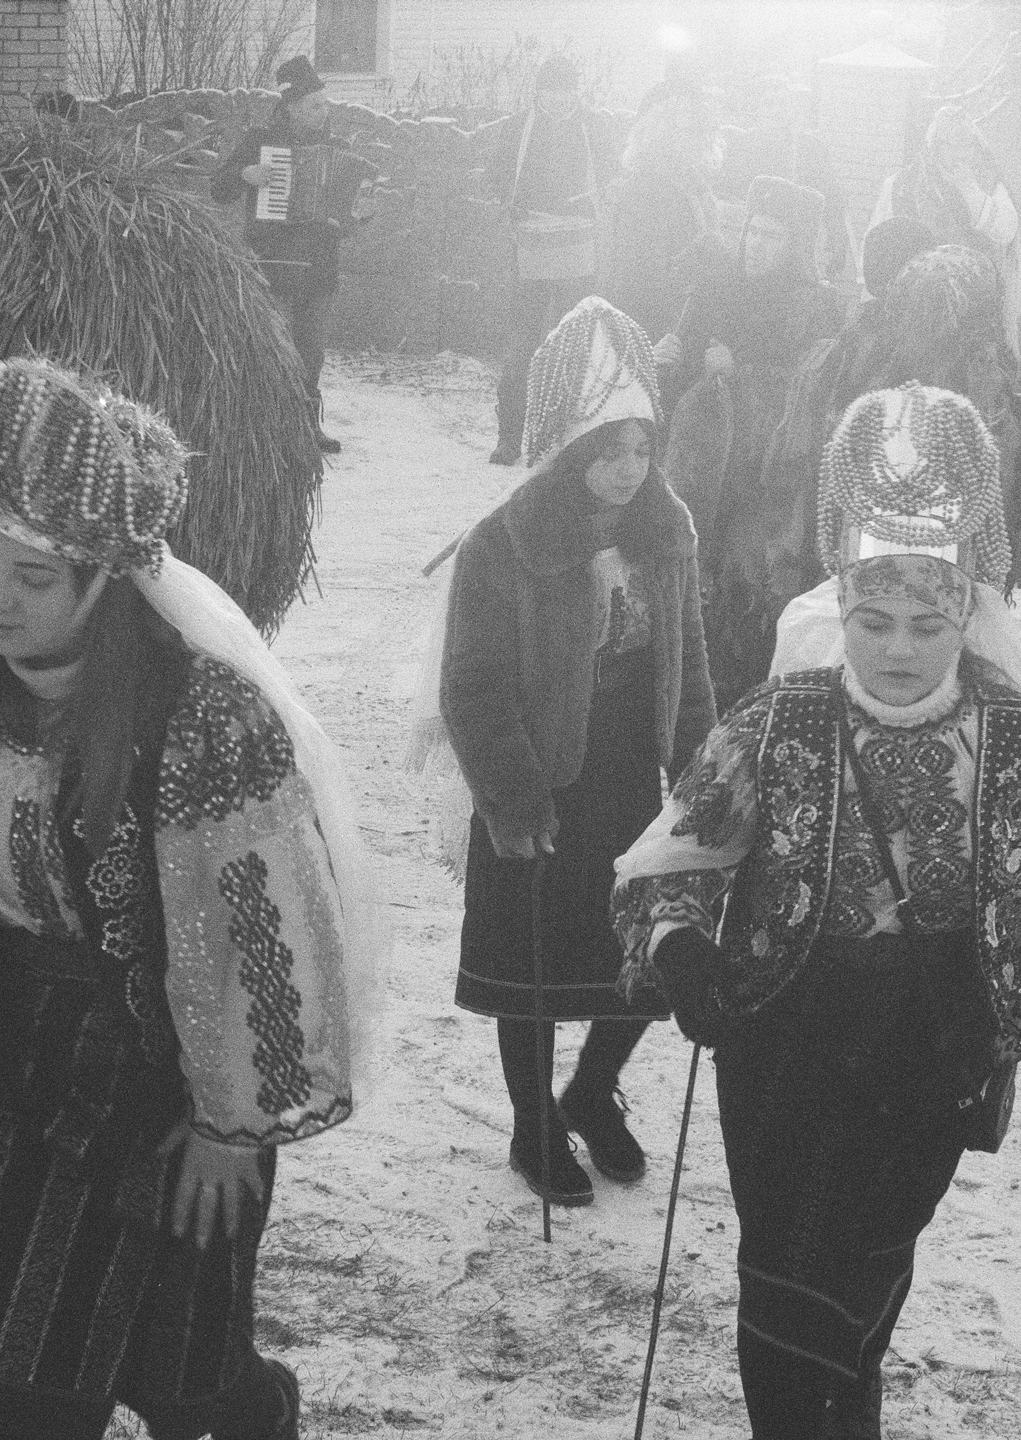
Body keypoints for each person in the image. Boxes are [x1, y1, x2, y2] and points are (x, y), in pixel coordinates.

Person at [0, 357, 378, 1437]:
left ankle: (253, 1411)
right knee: (24, 1382)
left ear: (104, 581)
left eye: (33, 578)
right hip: (32, 1077)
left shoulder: (201, 718)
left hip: (171, 1086)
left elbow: (258, 926)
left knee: (186, 1382)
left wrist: (232, 1126)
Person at [613, 383, 1021, 1439]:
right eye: (872, 620)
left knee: (857, 1275)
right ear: (840, 609)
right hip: (780, 1033)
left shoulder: (1016, 740)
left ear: (966, 614)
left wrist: (988, 1027)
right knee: (779, 1268)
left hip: (925, 1047)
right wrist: (686, 953)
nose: (898, 648)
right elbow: (672, 860)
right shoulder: (781, 717)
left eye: (927, 622)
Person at [431, 296, 717, 1205]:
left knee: (640, 952)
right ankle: (530, 1123)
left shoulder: (665, 534)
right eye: (608, 452)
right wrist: (512, 800)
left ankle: (590, 1091)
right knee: (536, 960)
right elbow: (471, 685)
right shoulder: (502, 545)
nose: (629, 470)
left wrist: (703, 776)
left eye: (641, 450)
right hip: (542, 770)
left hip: (632, 767)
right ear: (569, 449)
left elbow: (692, 664)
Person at [762, 241, 1021, 620]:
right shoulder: (860, 375)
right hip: (866, 588)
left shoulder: (986, 396)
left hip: (942, 595)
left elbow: (1004, 515)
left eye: (941, 311)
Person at [657, 173, 844, 710]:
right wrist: (672, 358)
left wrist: (740, 373)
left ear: (798, 245)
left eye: (771, 235)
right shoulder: (719, 294)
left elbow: (812, 393)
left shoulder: (816, 307)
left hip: (769, 485)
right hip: (706, 478)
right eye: (751, 232)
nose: (754, 244)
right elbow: (680, 390)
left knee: (750, 598)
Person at [213, 54, 365, 454]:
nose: (325, 111)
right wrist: (245, 175)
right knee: (276, 349)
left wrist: (346, 220)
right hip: (274, 259)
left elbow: (349, 211)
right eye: (316, 105)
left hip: (318, 263)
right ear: (293, 108)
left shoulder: (337, 149)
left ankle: (305, 428)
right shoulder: (260, 143)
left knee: (311, 350)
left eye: (324, 103)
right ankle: (267, 428)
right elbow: (220, 188)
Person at [485, 53, 619, 465]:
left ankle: (567, 435)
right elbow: (497, 175)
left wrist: (590, 206)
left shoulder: (595, 129)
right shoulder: (517, 129)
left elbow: (612, 176)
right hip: (530, 246)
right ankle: (510, 435)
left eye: (565, 91)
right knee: (522, 344)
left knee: (576, 341)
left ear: (576, 92)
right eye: (550, 91)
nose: (558, 100)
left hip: (580, 248)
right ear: (539, 92)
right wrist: (515, 206)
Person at [874, 105, 1021, 355]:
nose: (961, 155)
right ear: (934, 147)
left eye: (967, 145)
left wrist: (969, 189)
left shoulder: (987, 182)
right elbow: (879, 244)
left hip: (976, 310)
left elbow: (1006, 231)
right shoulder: (901, 185)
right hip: (918, 308)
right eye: (951, 145)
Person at [600, 85, 722, 346]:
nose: (699, 141)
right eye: (688, 131)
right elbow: (638, 276)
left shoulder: (692, 181)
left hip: (681, 318)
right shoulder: (648, 187)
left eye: (701, 132)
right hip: (654, 327)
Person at [718, 74, 854, 282]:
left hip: (799, 250)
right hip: (749, 247)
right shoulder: (740, 147)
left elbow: (832, 201)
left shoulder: (811, 149)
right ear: (757, 110)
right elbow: (725, 199)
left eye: (783, 104)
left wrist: (837, 242)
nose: (776, 111)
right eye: (768, 104)